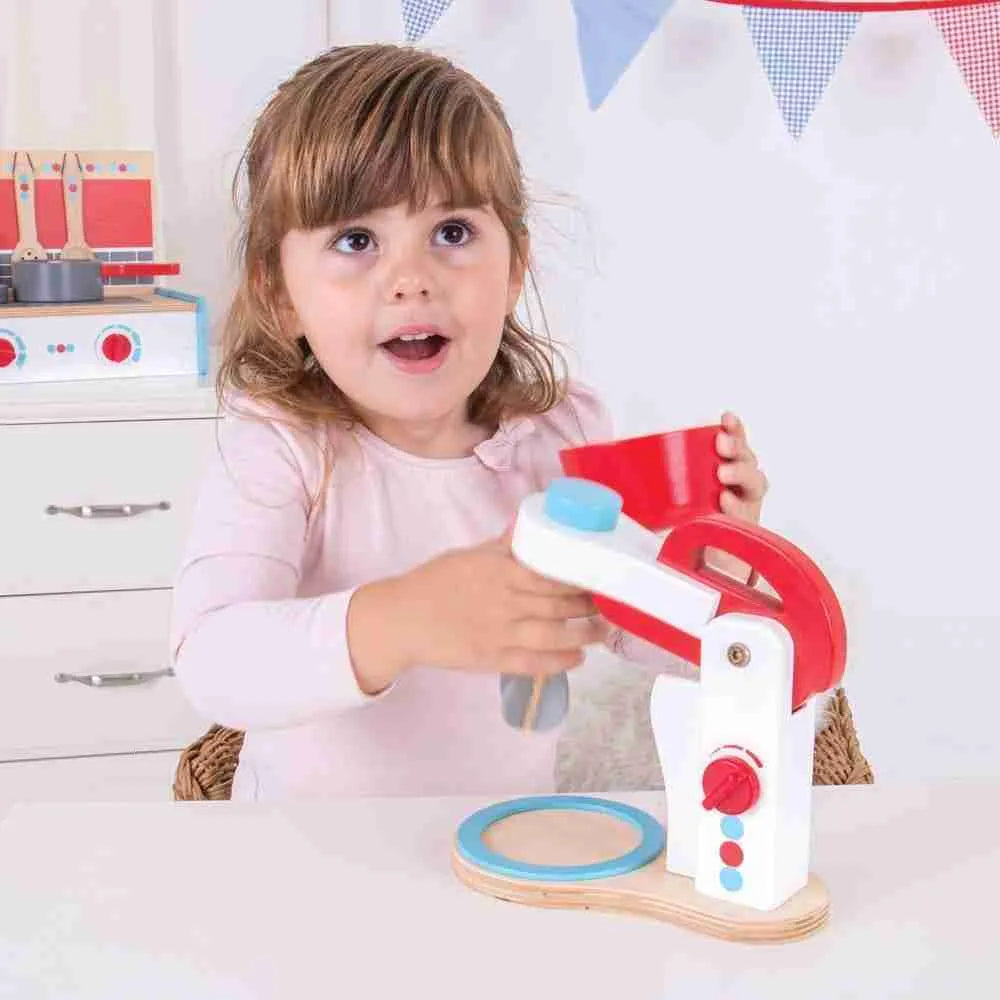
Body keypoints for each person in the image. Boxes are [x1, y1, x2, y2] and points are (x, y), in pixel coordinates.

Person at [169, 44, 769, 801]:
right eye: (356, 241)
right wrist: (403, 618)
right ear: (280, 294)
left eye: (452, 232)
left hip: (504, 842)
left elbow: (652, 634)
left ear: (514, 266)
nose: (411, 279)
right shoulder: (282, 444)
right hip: (309, 849)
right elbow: (211, 660)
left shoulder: (561, 437)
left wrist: (719, 562)